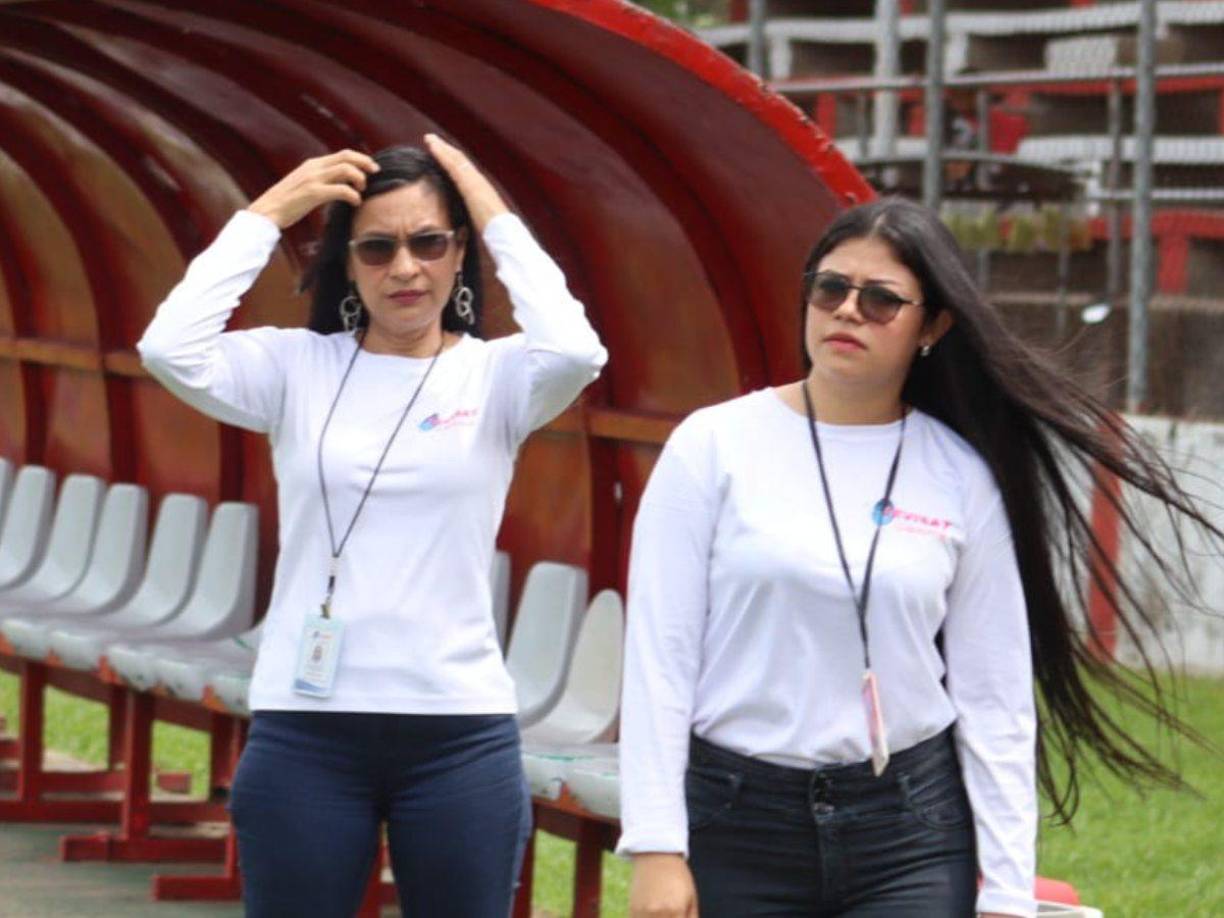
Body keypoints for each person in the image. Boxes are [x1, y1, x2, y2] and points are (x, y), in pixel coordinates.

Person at [617, 196, 1220, 918]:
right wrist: (656, 846)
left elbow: (994, 697)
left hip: (908, 833)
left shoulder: (959, 476)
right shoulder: (712, 446)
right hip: (737, 821)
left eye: (881, 300)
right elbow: (659, 658)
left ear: (931, 327)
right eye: (831, 289)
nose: (848, 311)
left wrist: (1007, 892)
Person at [137, 136, 607, 916]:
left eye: (430, 243)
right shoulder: (296, 366)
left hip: (458, 731)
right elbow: (169, 348)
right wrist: (269, 213)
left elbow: (577, 351)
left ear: (460, 254)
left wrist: (484, 200)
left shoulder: (498, 376)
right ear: (348, 265)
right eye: (378, 248)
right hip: (306, 730)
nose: (405, 268)